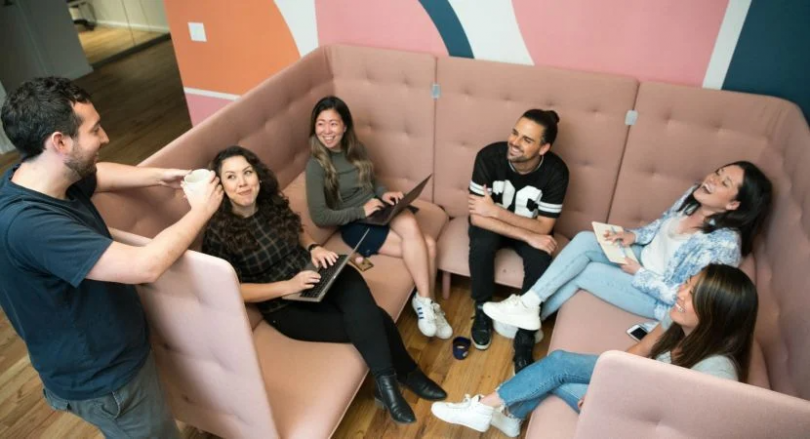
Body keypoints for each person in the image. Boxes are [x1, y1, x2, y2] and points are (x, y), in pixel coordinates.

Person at [0, 77, 223, 437]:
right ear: (59, 142)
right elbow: (145, 265)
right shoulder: (31, 226)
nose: (105, 138)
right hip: (105, 379)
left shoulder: (41, 176)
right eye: (95, 130)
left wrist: (158, 176)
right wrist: (202, 209)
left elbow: (97, 173)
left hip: (114, 354)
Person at [202, 145, 447, 424]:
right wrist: (287, 286)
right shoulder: (218, 233)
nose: (243, 183)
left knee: (348, 275)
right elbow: (232, 290)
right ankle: (400, 378)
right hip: (284, 306)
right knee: (375, 319)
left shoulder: (271, 202)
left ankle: (389, 382)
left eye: (247, 172)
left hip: (313, 274)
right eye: (231, 177)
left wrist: (314, 248)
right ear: (220, 185)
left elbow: (296, 229)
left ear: (257, 175)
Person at [432, 264, 758, 436]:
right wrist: (610, 380)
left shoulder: (716, 373)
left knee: (555, 380)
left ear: (717, 311)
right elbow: (643, 349)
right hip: (635, 386)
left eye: (693, 292)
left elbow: (672, 424)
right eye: (688, 282)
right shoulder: (679, 321)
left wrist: (608, 396)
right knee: (558, 361)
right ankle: (493, 409)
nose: (681, 292)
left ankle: (491, 410)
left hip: (640, 421)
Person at [483, 161, 772, 332]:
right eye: (718, 172)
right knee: (585, 240)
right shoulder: (694, 195)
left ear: (734, 204)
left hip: (656, 293)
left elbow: (690, 298)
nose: (712, 179)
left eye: (723, 182)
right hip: (640, 256)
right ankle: (528, 305)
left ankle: (530, 321)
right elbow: (661, 225)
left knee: (588, 272)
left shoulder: (723, 246)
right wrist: (633, 236)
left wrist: (638, 272)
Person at [304, 96, 452, 339]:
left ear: (345, 126)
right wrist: (362, 211)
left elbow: (372, 181)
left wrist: (385, 193)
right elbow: (320, 216)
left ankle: (425, 302)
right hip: (355, 223)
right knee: (428, 245)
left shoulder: (357, 149)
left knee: (415, 229)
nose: (327, 131)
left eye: (333, 123)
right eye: (321, 124)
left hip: (379, 209)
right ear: (314, 127)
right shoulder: (316, 166)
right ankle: (428, 304)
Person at [467, 109, 569, 373]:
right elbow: (478, 218)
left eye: (527, 139)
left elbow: (545, 226)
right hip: (501, 227)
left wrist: (495, 211)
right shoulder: (488, 157)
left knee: (541, 256)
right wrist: (528, 234)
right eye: (515, 133)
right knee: (482, 244)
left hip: (518, 223)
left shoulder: (556, 172)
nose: (515, 142)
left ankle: (525, 331)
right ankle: (482, 308)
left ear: (544, 147)